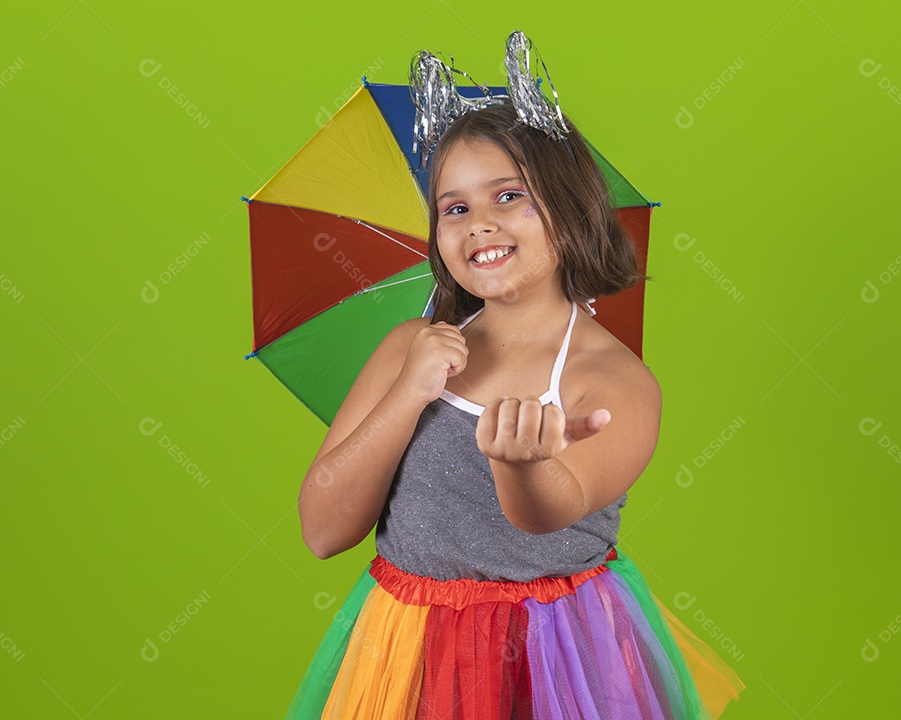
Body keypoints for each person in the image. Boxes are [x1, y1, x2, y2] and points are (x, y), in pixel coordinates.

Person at [286, 92, 744, 718]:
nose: (479, 222)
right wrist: (407, 392)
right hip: (406, 654)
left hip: (549, 660)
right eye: (455, 207)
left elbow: (552, 512)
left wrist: (524, 464)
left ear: (569, 209)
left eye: (508, 196)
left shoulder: (612, 382)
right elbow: (323, 529)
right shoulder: (407, 350)